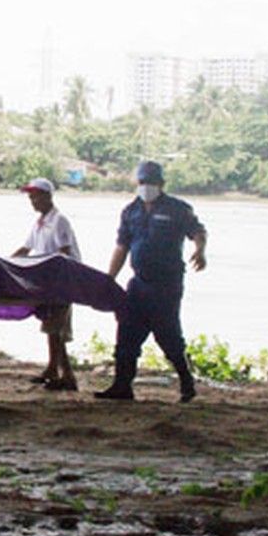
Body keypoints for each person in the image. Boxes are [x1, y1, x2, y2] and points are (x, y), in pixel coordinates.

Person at [95, 161, 208, 403]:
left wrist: (200, 251)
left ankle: (187, 383)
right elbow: (122, 247)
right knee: (127, 333)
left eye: (151, 182)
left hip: (166, 284)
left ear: (162, 184)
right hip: (138, 283)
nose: (146, 187)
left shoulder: (178, 209)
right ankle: (122, 386)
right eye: (142, 182)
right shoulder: (130, 211)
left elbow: (198, 231)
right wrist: (109, 279)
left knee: (168, 334)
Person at [11, 177, 81, 392]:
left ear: (48, 196)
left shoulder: (59, 221)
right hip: (48, 281)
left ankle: (66, 374)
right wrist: (5, 263)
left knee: (56, 328)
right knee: (51, 327)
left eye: (36, 197)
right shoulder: (40, 223)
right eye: (31, 197)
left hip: (62, 281)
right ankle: (54, 369)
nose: (33, 201)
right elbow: (26, 249)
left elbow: (64, 253)